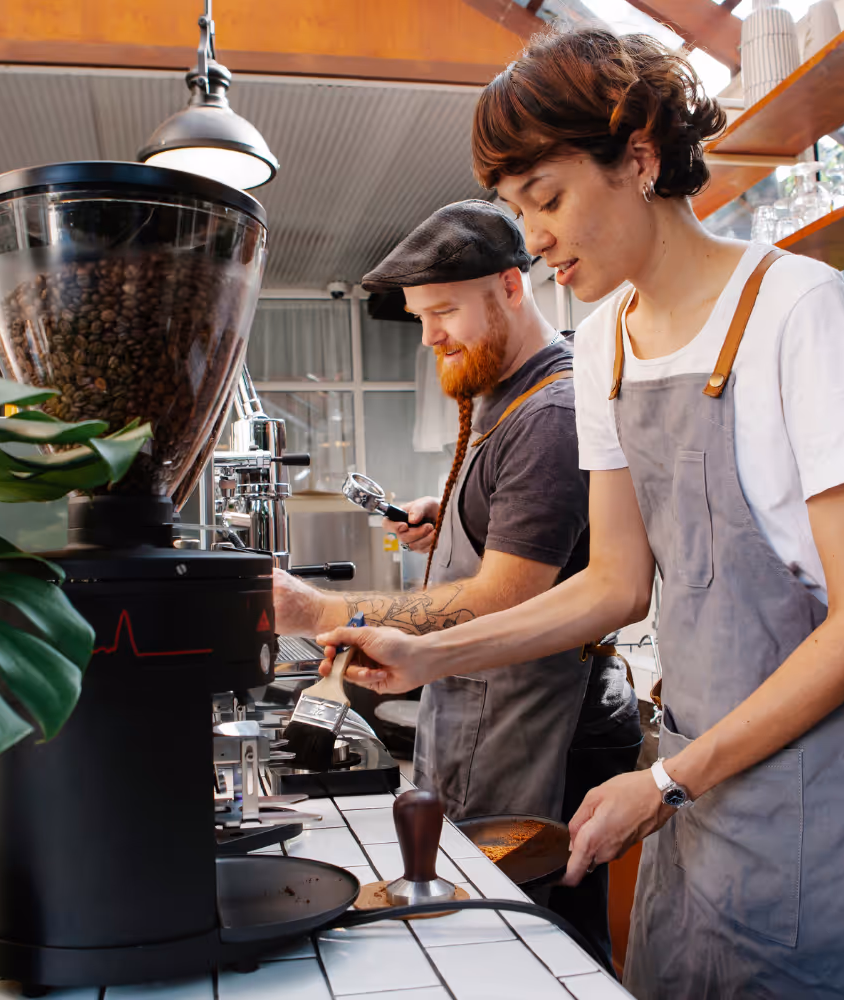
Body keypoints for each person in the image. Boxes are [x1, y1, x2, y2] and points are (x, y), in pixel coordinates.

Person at [313, 28, 844, 999]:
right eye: (517, 210)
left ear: (639, 158)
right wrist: (425, 654)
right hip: (695, 790)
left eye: (550, 199)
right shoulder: (602, 342)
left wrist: (665, 780)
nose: (532, 239)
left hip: (824, 789)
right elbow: (613, 585)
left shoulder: (794, 309)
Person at [272, 199, 641, 958]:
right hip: (490, 715)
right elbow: (523, 540)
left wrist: (320, 610)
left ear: (511, 286)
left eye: (443, 310)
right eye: (419, 316)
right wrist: (455, 519)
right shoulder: (505, 395)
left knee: (548, 948)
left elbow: (505, 596)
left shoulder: (551, 411)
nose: (431, 333)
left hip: (547, 726)